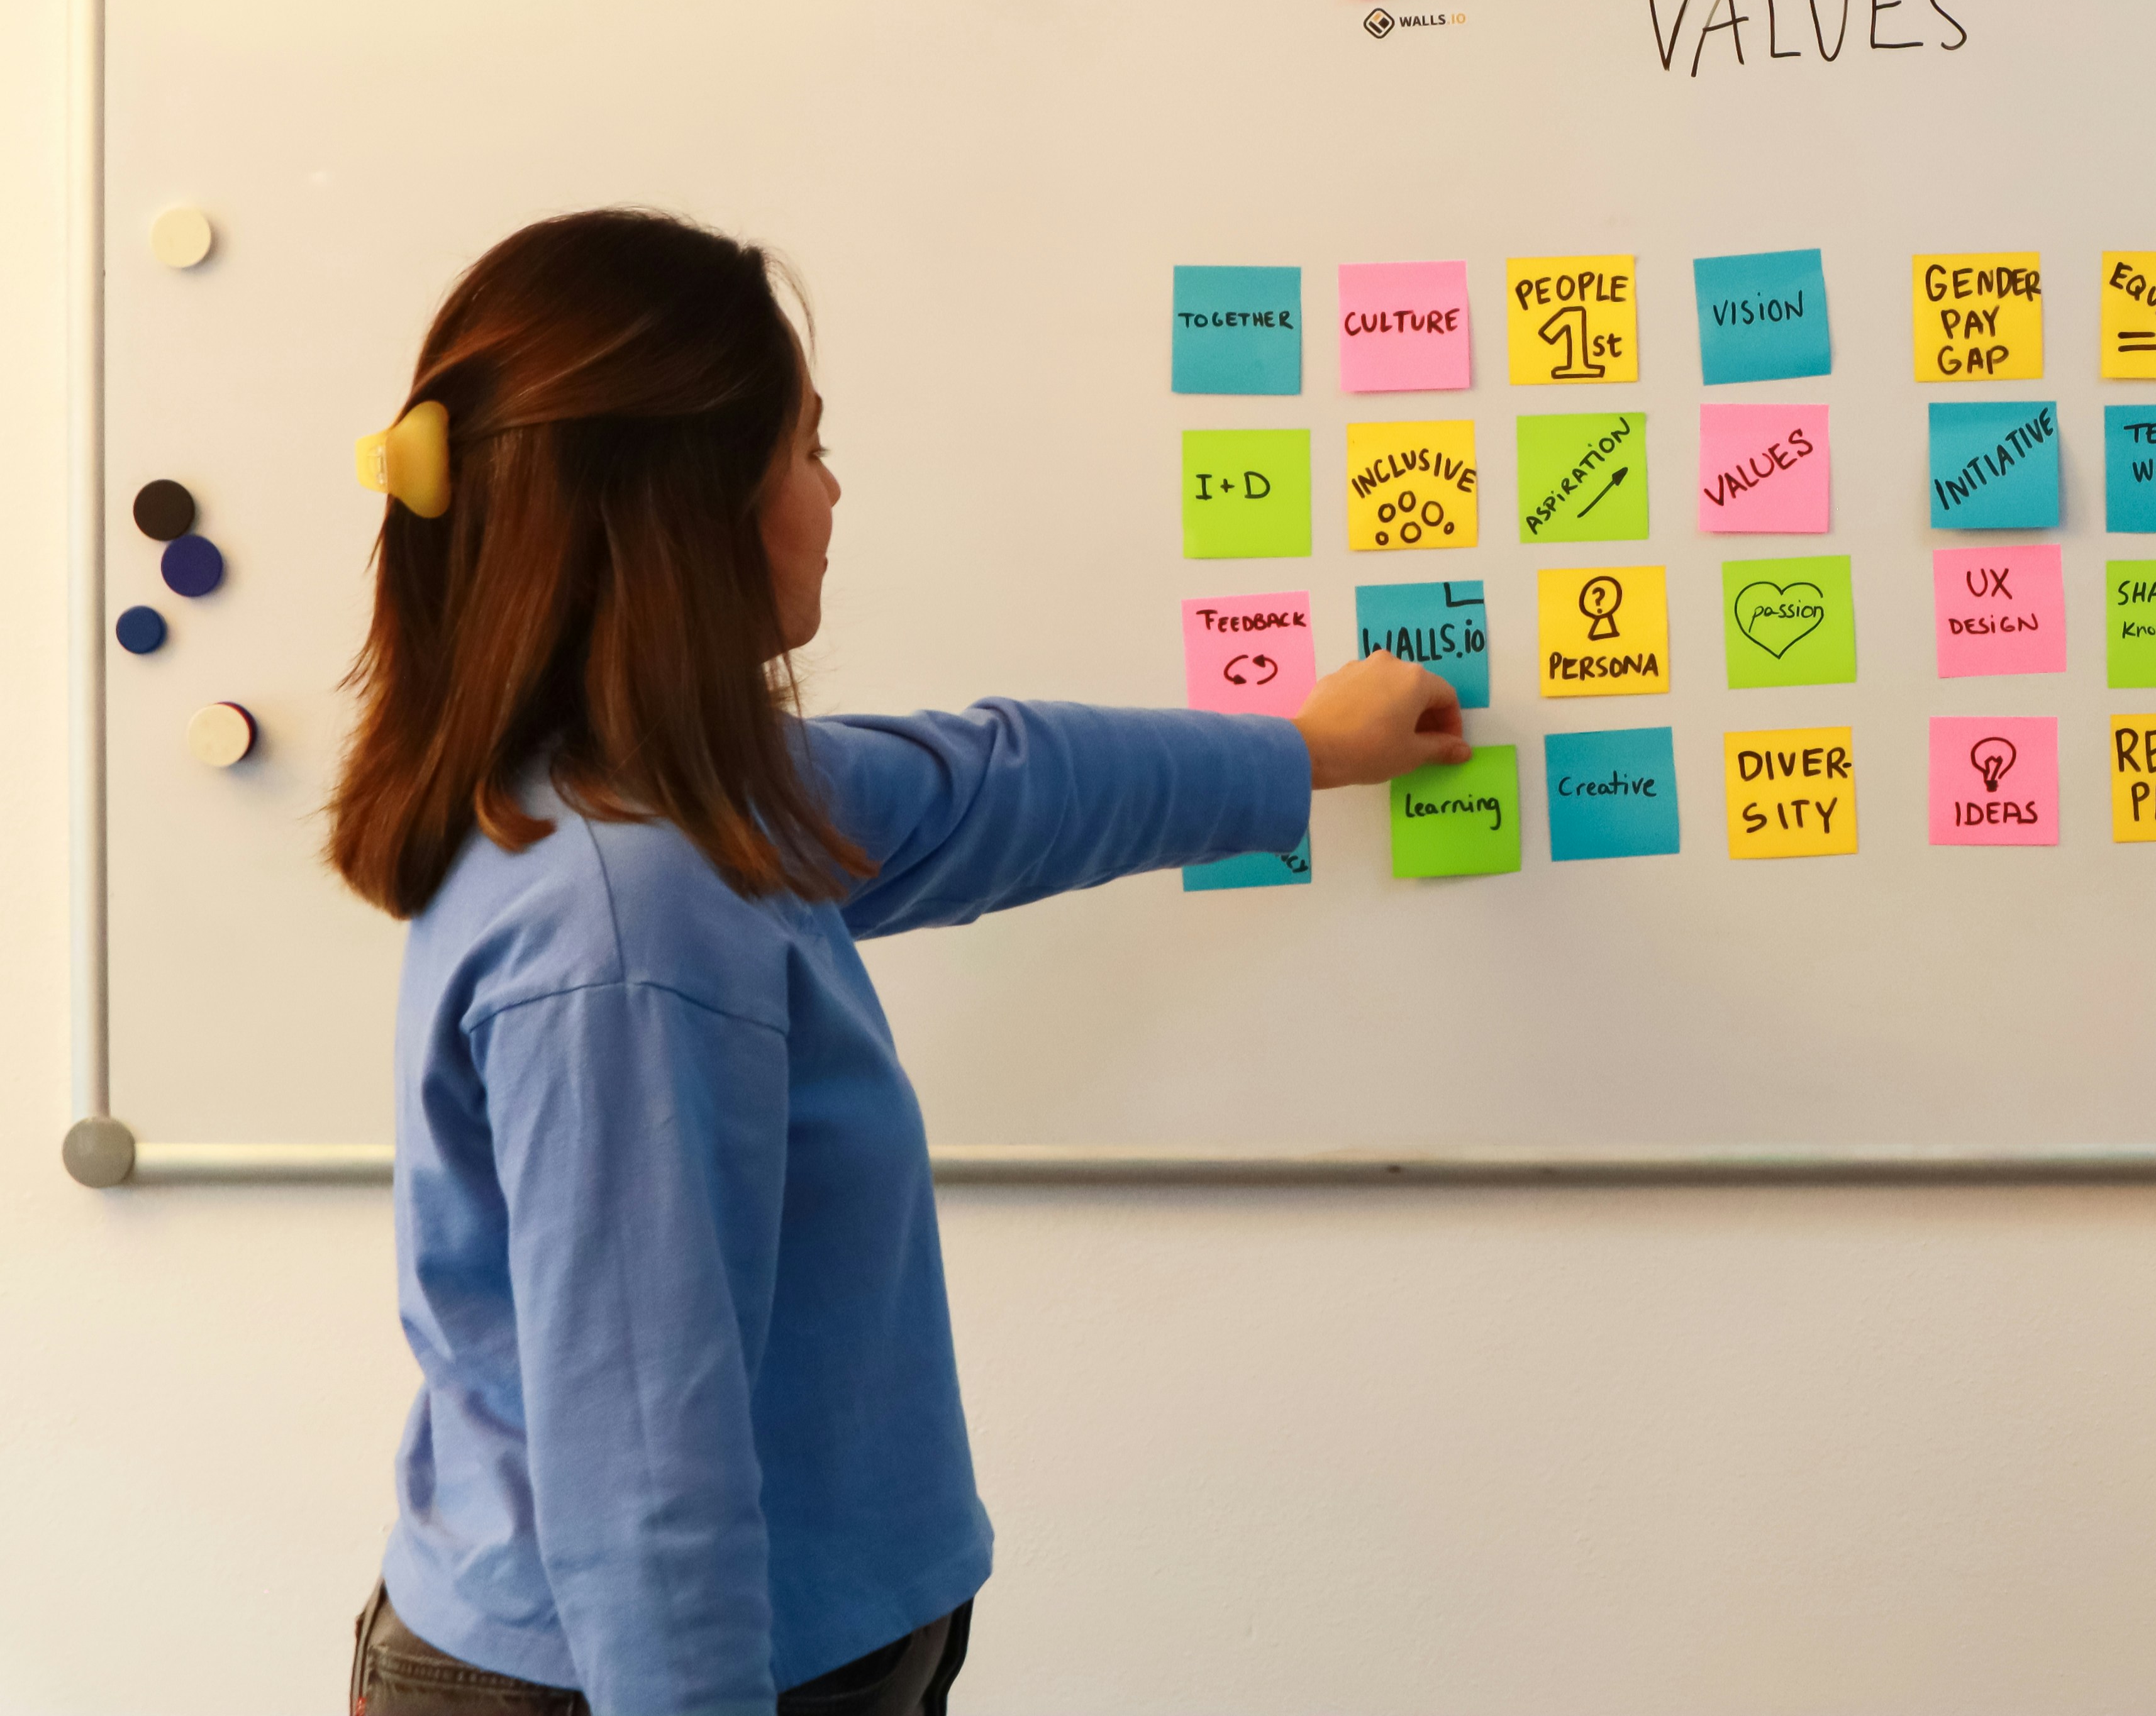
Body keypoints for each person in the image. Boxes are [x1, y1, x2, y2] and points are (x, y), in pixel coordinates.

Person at [329, 209, 1469, 1715]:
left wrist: (1303, 753)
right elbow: (645, 1493)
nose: (832, 487)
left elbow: (986, 789)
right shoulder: (624, 919)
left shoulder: (684, 795)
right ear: (697, 506)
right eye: (806, 446)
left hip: (816, 1630)